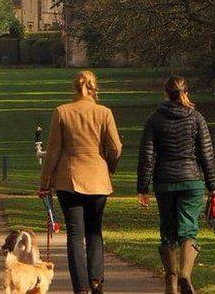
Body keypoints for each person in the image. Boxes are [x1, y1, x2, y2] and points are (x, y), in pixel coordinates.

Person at [38, 71, 122, 294]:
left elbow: (53, 152)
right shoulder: (104, 113)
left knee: (75, 234)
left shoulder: (62, 112)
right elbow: (116, 148)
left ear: (75, 88)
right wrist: (108, 166)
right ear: (94, 89)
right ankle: (96, 279)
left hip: (69, 180)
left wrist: (45, 182)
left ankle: (82, 287)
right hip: (98, 179)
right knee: (95, 231)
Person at [137, 76, 215, 294]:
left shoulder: (155, 119)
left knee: (168, 230)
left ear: (166, 93)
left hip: (164, 181)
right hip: (192, 180)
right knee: (189, 228)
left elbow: (147, 155)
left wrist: (142, 187)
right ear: (186, 92)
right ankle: (185, 274)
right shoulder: (197, 118)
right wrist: (213, 185)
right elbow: (206, 154)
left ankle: (171, 282)